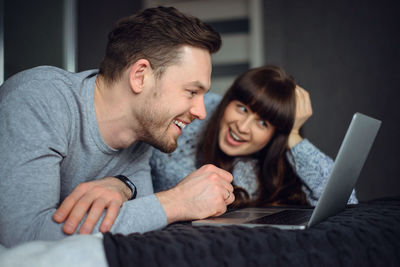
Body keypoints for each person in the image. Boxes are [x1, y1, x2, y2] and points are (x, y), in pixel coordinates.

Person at [0, 6, 236, 248]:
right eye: (191, 91)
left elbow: (142, 222)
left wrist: (124, 185)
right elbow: (22, 236)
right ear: (140, 76)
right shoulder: (39, 98)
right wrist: (178, 201)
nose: (201, 111)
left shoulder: (142, 132)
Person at [151, 65, 358, 207]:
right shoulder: (190, 116)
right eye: (242, 109)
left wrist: (293, 135)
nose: (242, 127)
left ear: (275, 134)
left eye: (263, 123)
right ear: (227, 101)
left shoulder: (264, 162)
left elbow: (346, 202)